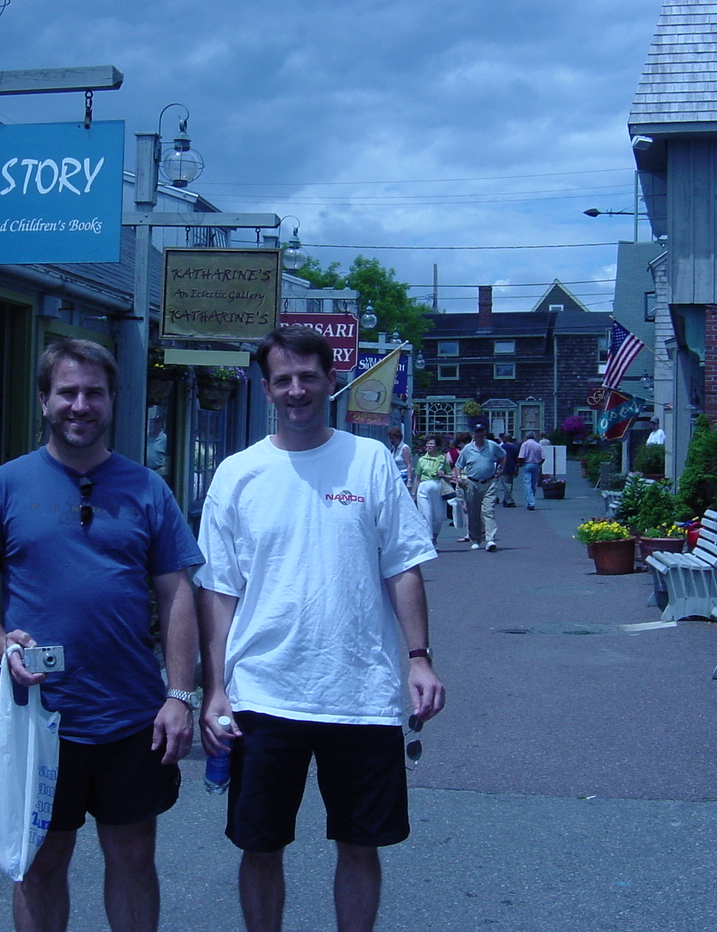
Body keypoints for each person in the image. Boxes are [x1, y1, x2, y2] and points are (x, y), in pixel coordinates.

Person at [0, 339, 203, 932]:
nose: (80, 405)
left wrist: (179, 694)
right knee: (39, 864)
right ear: (44, 400)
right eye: (67, 392)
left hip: (131, 715)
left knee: (133, 858)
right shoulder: (2, 486)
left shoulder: (147, 489)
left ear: (112, 400)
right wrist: (2, 644)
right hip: (39, 717)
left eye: (93, 393)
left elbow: (176, 593)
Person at [195, 326, 446, 932]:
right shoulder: (237, 473)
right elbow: (219, 590)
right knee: (259, 846)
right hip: (263, 693)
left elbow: (403, 566)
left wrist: (418, 657)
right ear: (266, 389)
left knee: (360, 845)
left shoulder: (370, 461)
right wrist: (215, 688)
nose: (296, 390)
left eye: (308, 377)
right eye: (283, 379)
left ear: (331, 381)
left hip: (359, 693)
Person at [452, 418, 506, 551]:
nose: (479, 434)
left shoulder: (492, 445)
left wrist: (500, 470)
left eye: (481, 431)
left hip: (489, 482)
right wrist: (459, 478)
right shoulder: (467, 449)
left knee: (488, 511)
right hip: (472, 483)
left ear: (485, 432)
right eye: (477, 432)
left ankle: (490, 539)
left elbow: (503, 456)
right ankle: (476, 539)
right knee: (473, 512)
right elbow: (458, 465)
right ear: (473, 434)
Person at [411, 434, 451, 546]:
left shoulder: (442, 459)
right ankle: (429, 541)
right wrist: (413, 494)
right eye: (427, 443)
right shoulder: (422, 460)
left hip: (438, 488)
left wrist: (444, 475)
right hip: (424, 488)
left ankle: (435, 536)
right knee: (426, 515)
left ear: (436, 446)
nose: (429, 445)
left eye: (431, 443)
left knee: (439, 517)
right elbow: (417, 478)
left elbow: (450, 476)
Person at [518, 430, 545, 511]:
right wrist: (539, 464)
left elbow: (521, 456)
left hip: (527, 464)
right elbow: (543, 458)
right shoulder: (538, 445)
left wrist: (520, 464)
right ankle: (531, 500)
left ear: (527, 437)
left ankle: (531, 502)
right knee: (533, 484)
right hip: (536, 464)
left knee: (527, 483)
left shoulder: (525, 444)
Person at [498, 433, 520, 508]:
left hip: (504, 467)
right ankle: (506, 499)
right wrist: (517, 468)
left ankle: (509, 501)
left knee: (506, 485)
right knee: (510, 484)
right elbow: (517, 459)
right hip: (512, 467)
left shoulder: (502, 447)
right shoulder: (515, 447)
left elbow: (499, 458)